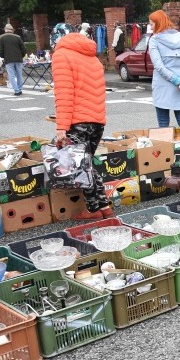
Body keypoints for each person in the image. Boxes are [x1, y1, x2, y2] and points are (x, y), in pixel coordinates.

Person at [52, 31, 112, 220]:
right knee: (87, 165)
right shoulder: (93, 58)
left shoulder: (62, 55)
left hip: (77, 121)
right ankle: (103, 208)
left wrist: (61, 126)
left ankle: (95, 210)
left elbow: (64, 93)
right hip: (97, 121)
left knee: (82, 168)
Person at [147, 10, 180, 138]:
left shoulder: (154, 40)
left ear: (158, 24)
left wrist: (176, 81)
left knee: (164, 125)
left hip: (163, 87)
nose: (151, 27)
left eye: (152, 24)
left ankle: (168, 156)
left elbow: (159, 66)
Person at [0, 24, 25, 96]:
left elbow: (0, 50)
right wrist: (22, 55)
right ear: (12, 30)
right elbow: (23, 48)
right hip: (18, 58)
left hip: (8, 58)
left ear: (5, 30)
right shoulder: (18, 37)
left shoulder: (1, 37)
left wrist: (3, 56)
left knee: (11, 75)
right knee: (19, 74)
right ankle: (20, 89)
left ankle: (16, 90)